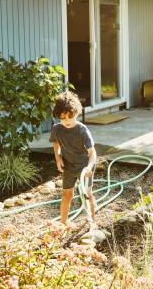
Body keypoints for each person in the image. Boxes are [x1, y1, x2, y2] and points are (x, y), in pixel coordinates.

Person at [49, 91, 97, 229]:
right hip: (68, 166)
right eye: (63, 118)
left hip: (84, 167)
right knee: (67, 194)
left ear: (77, 113)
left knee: (87, 194)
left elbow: (92, 152)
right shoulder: (57, 129)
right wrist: (58, 158)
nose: (67, 121)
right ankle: (63, 223)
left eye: (70, 117)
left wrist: (89, 167)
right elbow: (55, 143)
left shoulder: (82, 130)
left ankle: (92, 223)